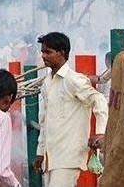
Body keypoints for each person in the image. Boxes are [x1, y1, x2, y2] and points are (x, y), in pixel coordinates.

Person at [33, 32, 108, 187]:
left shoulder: (74, 80)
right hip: (50, 157)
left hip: (68, 155)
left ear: (61, 53)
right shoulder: (47, 82)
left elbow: (98, 100)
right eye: (42, 52)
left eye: (48, 52)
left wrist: (101, 132)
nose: (43, 56)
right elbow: (44, 121)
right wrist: (40, 152)